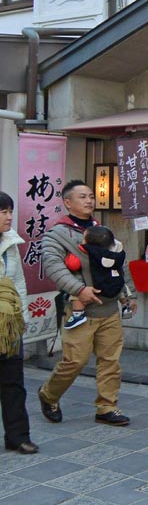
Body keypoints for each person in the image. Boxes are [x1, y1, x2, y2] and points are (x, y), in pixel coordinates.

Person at [38, 180, 138, 427]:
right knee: (75, 360)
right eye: (82, 197)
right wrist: (79, 289)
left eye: (91, 196)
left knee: (110, 360)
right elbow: (53, 266)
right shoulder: (57, 234)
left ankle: (107, 406)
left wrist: (129, 294)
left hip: (109, 308)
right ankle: (49, 394)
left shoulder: (102, 231)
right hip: (79, 310)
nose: (89, 201)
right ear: (67, 202)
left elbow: (119, 263)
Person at [0, 192, 38, 454]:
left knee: (13, 382)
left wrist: (21, 317)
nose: (10, 216)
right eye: (3, 212)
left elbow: (20, 283)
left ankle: (18, 436)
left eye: (10, 211)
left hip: (10, 325)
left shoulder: (11, 243)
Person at [63, 226, 132, 329]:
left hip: (94, 286)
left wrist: (70, 256)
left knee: (77, 290)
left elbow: (73, 265)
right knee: (120, 286)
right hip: (113, 283)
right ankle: (126, 306)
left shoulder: (86, 251)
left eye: (84, 238)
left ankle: (78, 314)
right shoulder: (117, 253)